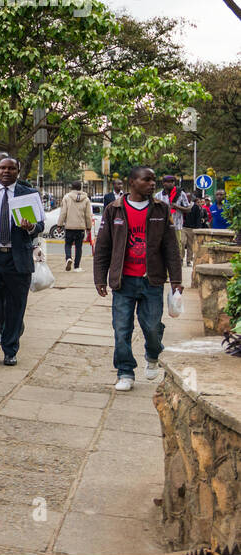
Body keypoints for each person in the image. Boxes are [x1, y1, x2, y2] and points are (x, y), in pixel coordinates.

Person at [94, 166, 183, 391]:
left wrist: (176, 280)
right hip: (123, 281)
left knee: (152, 326)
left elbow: (171, 247)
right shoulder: (113, 210)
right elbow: (103, 246)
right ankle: (125, 372)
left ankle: (153, 354)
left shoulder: (161, 209)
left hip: (152, 281)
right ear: (132, 182)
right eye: (147, 179)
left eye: (154, 180)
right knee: (121, 328)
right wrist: (100, 278)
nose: (153, 183)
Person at [0, 155, 46, 366]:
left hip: (17, 259)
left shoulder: (29, 194)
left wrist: (30, 227)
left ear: (18, 171)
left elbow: (40, 225)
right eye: (2, 168)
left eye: (11, 169)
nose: (6, 172)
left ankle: (10, 349)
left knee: (16, 306)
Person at [155, 174, 194, 266]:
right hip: (162, 226)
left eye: (172, 182)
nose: (170, 184)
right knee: (162, 248)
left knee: (176, 248)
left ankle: (175, 269)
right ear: (163, 183)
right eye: (167, 182)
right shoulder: (158, 195)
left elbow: (188, 209)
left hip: (176, 226)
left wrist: (176, 206)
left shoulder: (181, 194)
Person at [59, 181, 93, 272]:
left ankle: (68, 258)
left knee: (68, 244)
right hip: (80, 227)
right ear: (81, 187)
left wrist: (59, 225)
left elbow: (63, 212)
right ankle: (77, 266)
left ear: (71, 187)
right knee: (79, 247)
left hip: (69, 227)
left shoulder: (66, 197)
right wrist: (88, 227)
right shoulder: (86, 199)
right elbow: (87, 215)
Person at [181, 194, 206, 267]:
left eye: (188, 197)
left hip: (192, 228)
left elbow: (198, 219)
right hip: (183, 227)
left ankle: (188, 260)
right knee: (182, 242)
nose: (186, 198)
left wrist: (197, 229)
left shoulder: (195, 207)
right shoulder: (182, 205)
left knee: (190, 245)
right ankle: (181, 258)